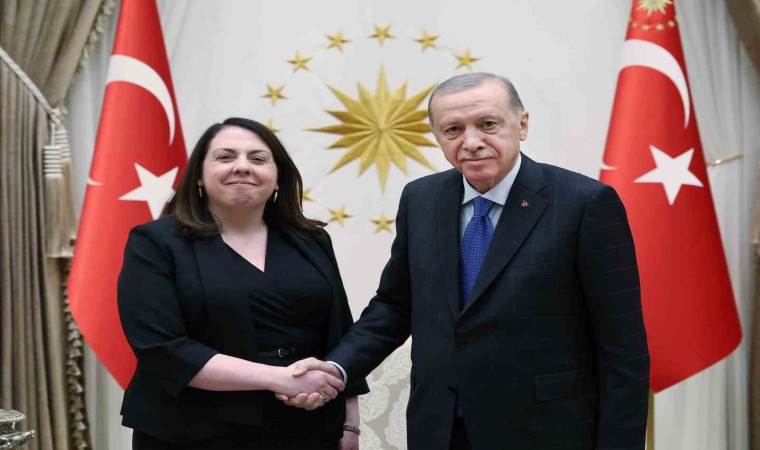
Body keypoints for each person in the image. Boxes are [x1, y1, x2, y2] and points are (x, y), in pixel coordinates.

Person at [280, 73, 650, 449]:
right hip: (440, 428)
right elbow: (395, 306)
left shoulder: (584, 203)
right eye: (453, 129)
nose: (471, 143)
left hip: (544, 431)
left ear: (522, 125)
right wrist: (336, 368)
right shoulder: (421, 199)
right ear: (438, 137)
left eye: (487, 124)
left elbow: (622, 348)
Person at [117, 117, 368, 450]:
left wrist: (349, 421)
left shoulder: (312, 240)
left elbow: (339, 332)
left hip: (308, 425)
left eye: (258, 158)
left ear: (277, 177)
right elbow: (162, 348)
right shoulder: (155, 242)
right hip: (190, 430)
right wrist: (281, 379)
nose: (242, 166)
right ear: (199, 176)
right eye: (225, 157)